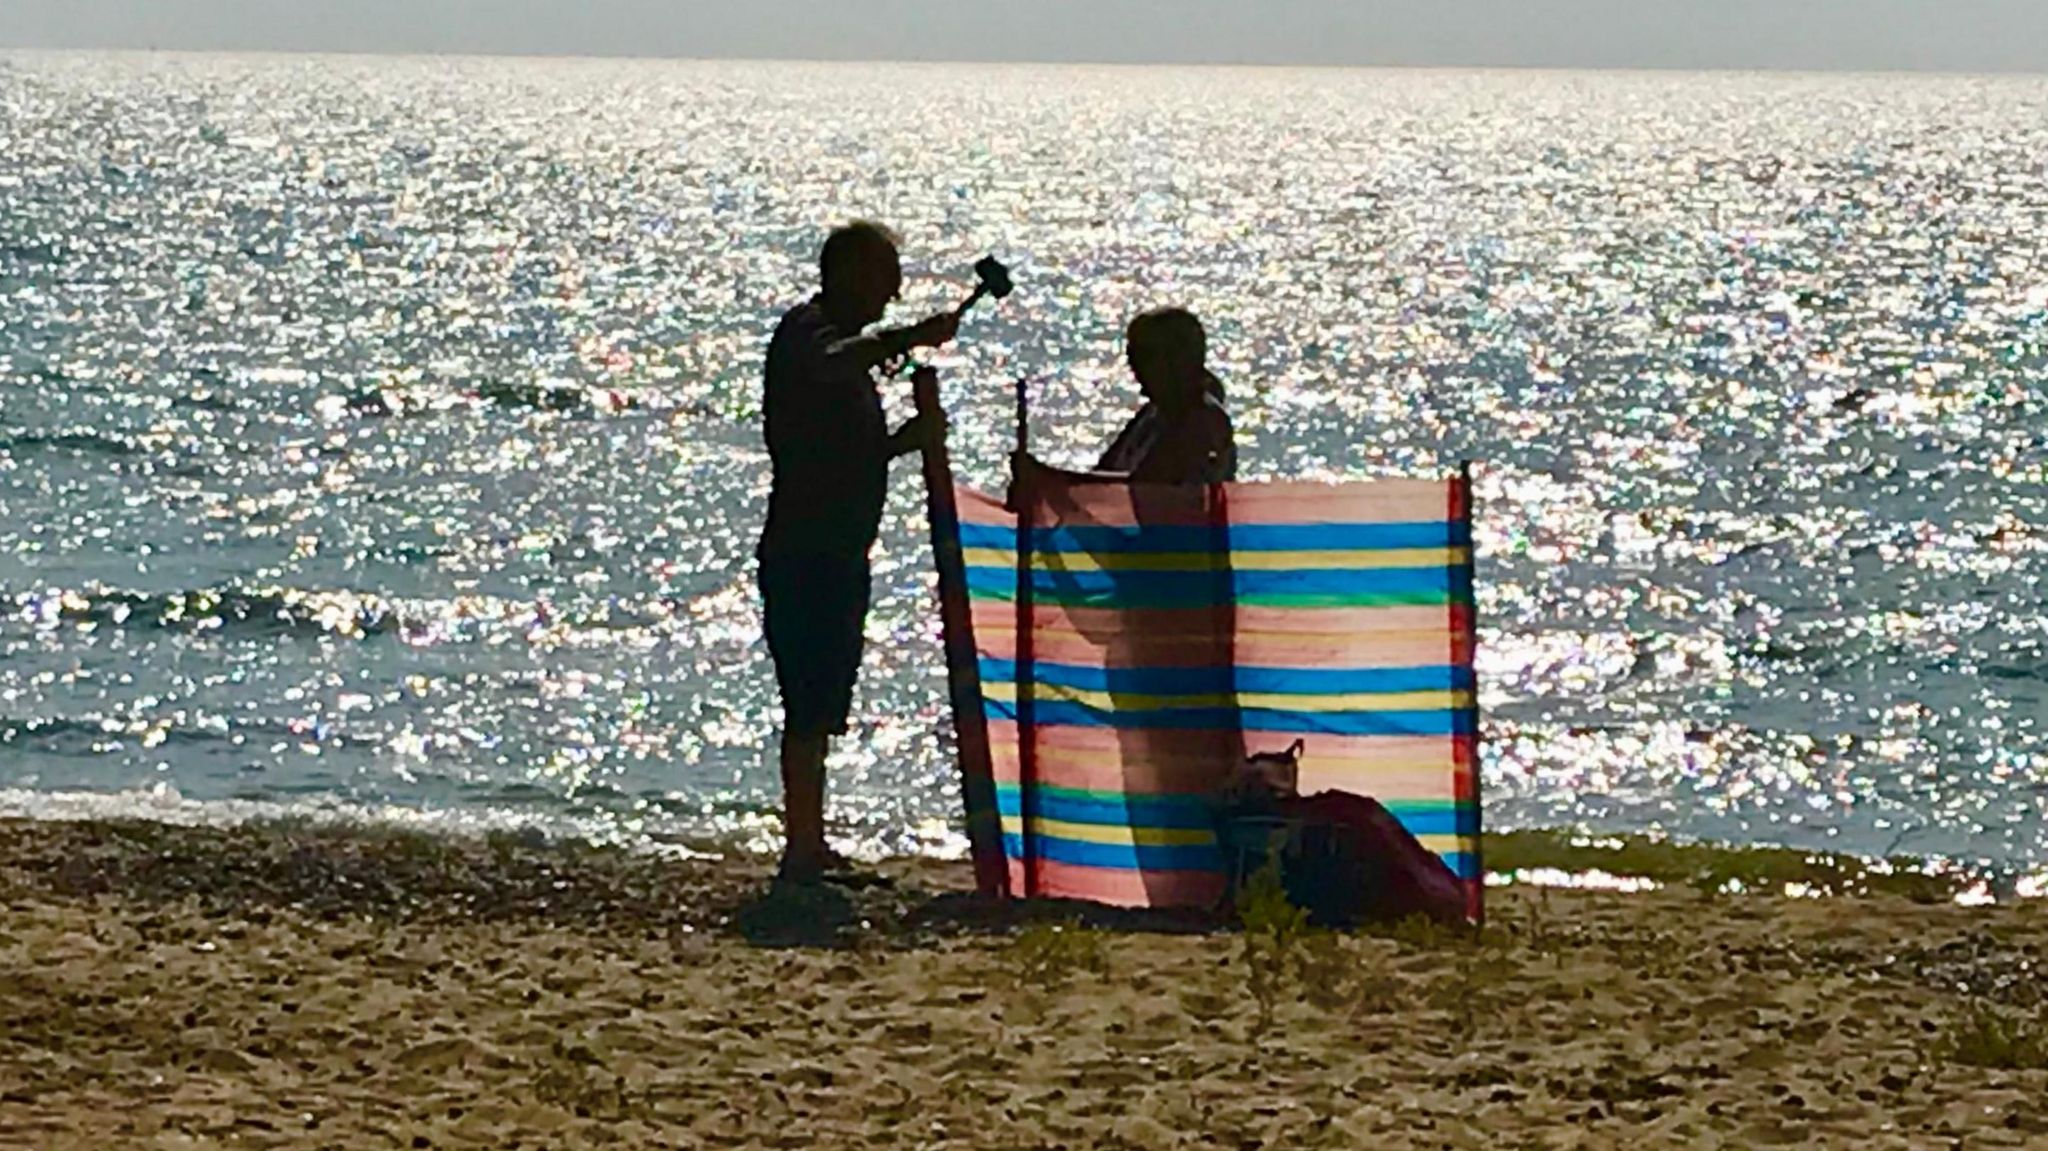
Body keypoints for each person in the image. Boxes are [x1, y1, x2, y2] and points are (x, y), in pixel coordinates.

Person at [757, 221, 956, 884]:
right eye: (883, 278)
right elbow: (830, 361)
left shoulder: (843, 353)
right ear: (848, 274)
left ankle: (810, 840)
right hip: (803, 548)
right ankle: (801, 846)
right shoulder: (806, 334)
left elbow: (852, 453)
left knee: (825, 700)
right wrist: (904, 339)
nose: (892, 294)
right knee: (807, 701)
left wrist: (908, 440)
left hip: (841, 546)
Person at [1094, 307, 1236, 484]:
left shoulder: (1202, 423)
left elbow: (1154, 485)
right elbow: (1103, 473)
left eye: (1146, 354)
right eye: (1131, 353)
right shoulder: (1150, 415)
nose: (1133, 364)